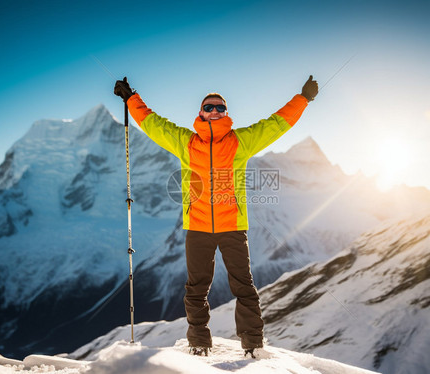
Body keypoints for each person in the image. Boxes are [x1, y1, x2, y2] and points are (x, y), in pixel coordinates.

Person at [114, 76, 318, 356]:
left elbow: (276, 123)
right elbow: (153, 124)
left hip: (232, 226)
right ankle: (198, 343)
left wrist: (303, 98)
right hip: (197, 226)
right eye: (208, 107)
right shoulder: (185, 142)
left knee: (243, 287)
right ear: (200, 113)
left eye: (219, 108)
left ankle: (253, 345)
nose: (214, 112)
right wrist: (131, 98)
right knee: (196, 289)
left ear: (225, 113)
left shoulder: (241, 141)